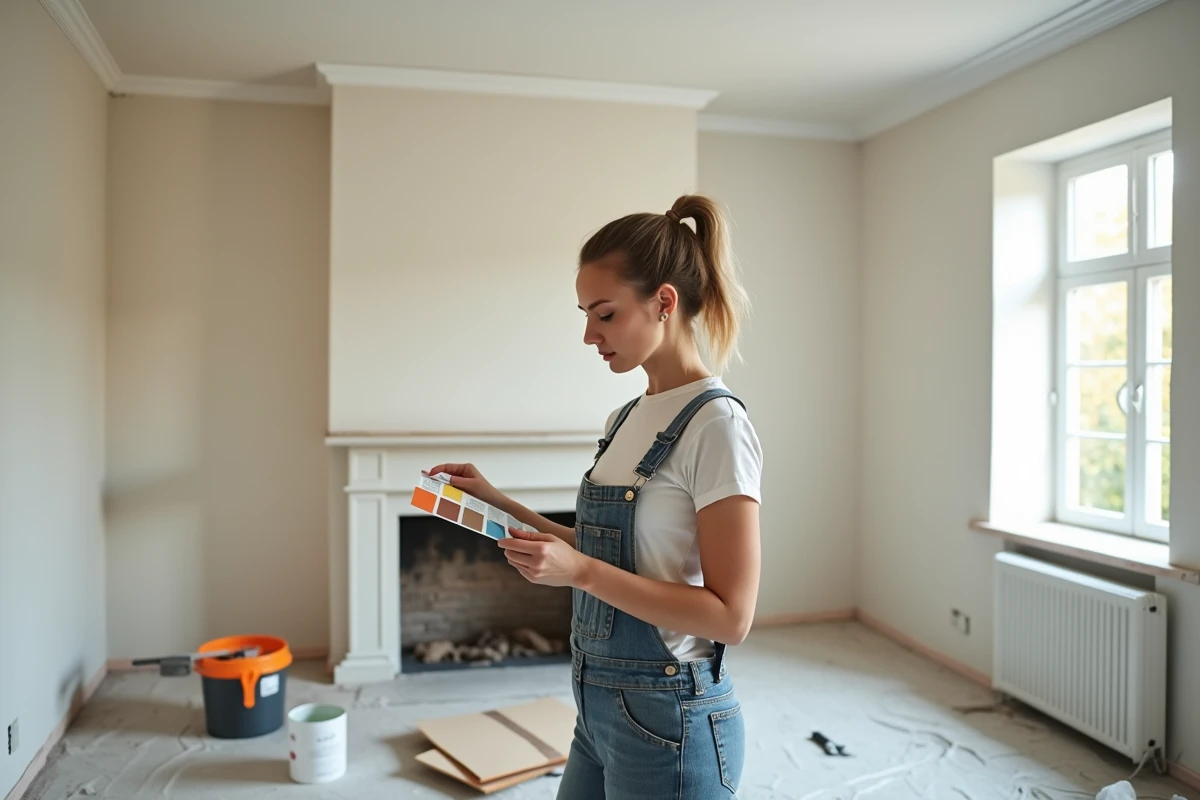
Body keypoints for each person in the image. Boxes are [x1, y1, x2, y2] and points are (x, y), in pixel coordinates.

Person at [429, 193, 762, 799]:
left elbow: (730, 617)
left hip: (670, 719)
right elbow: (606, 550)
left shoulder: (716, 425)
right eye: (585, 314)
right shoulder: (624, 418)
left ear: (664, 303)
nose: (589, 335)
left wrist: (578, 572)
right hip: (597, 705)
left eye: (605, 314)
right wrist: (496, 502)